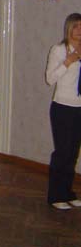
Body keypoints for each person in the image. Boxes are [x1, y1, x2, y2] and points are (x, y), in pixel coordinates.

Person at [46, 13, 81, 210]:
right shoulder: (59, 50)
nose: (79, 30)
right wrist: (68, 61)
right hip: (62, 107)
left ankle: (67, 192)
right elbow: (50, 78)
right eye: (76, 26)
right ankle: (55, 195)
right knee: (62, 152)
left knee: (73, 153)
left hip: (79, 107)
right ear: (68, 28)